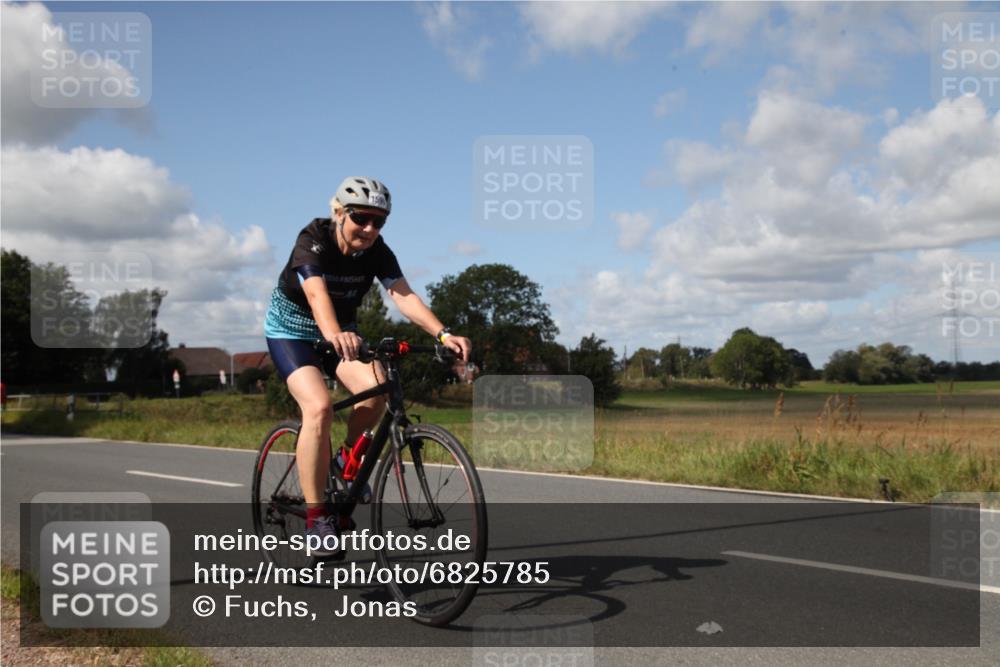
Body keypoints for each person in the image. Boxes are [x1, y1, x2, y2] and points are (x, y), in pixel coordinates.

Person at [264, 176, 470, 555]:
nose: (370, 229)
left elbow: (403, 295)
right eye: (361, 218)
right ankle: (317, 519)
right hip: (292, 332)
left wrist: (443, 334)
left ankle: (344, 458)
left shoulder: (377, 250)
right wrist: (332, 333)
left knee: (377, 390)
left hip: (342, 335)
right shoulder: (313, 239)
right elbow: (315, 291)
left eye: (380, 222)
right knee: (319, 407)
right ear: (339, 213)